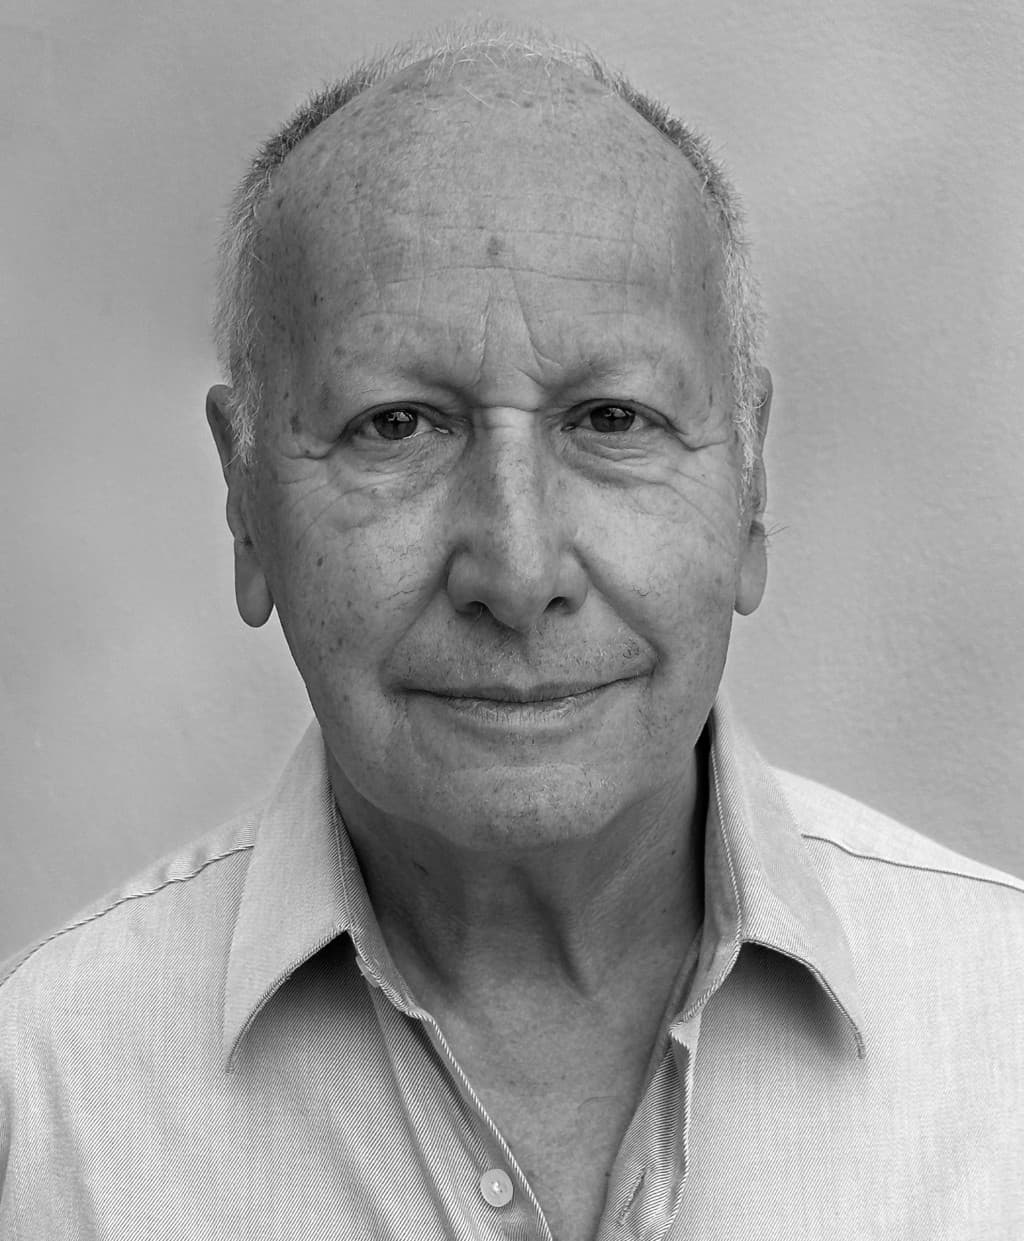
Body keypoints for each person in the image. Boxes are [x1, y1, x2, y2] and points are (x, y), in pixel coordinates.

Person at [1, 25, 1021, 1241]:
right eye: (395, 425)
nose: (518, 569)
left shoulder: (1000, 1034)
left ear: (749, 481)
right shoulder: (47, 1104)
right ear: (244, 500)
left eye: (611, 418)